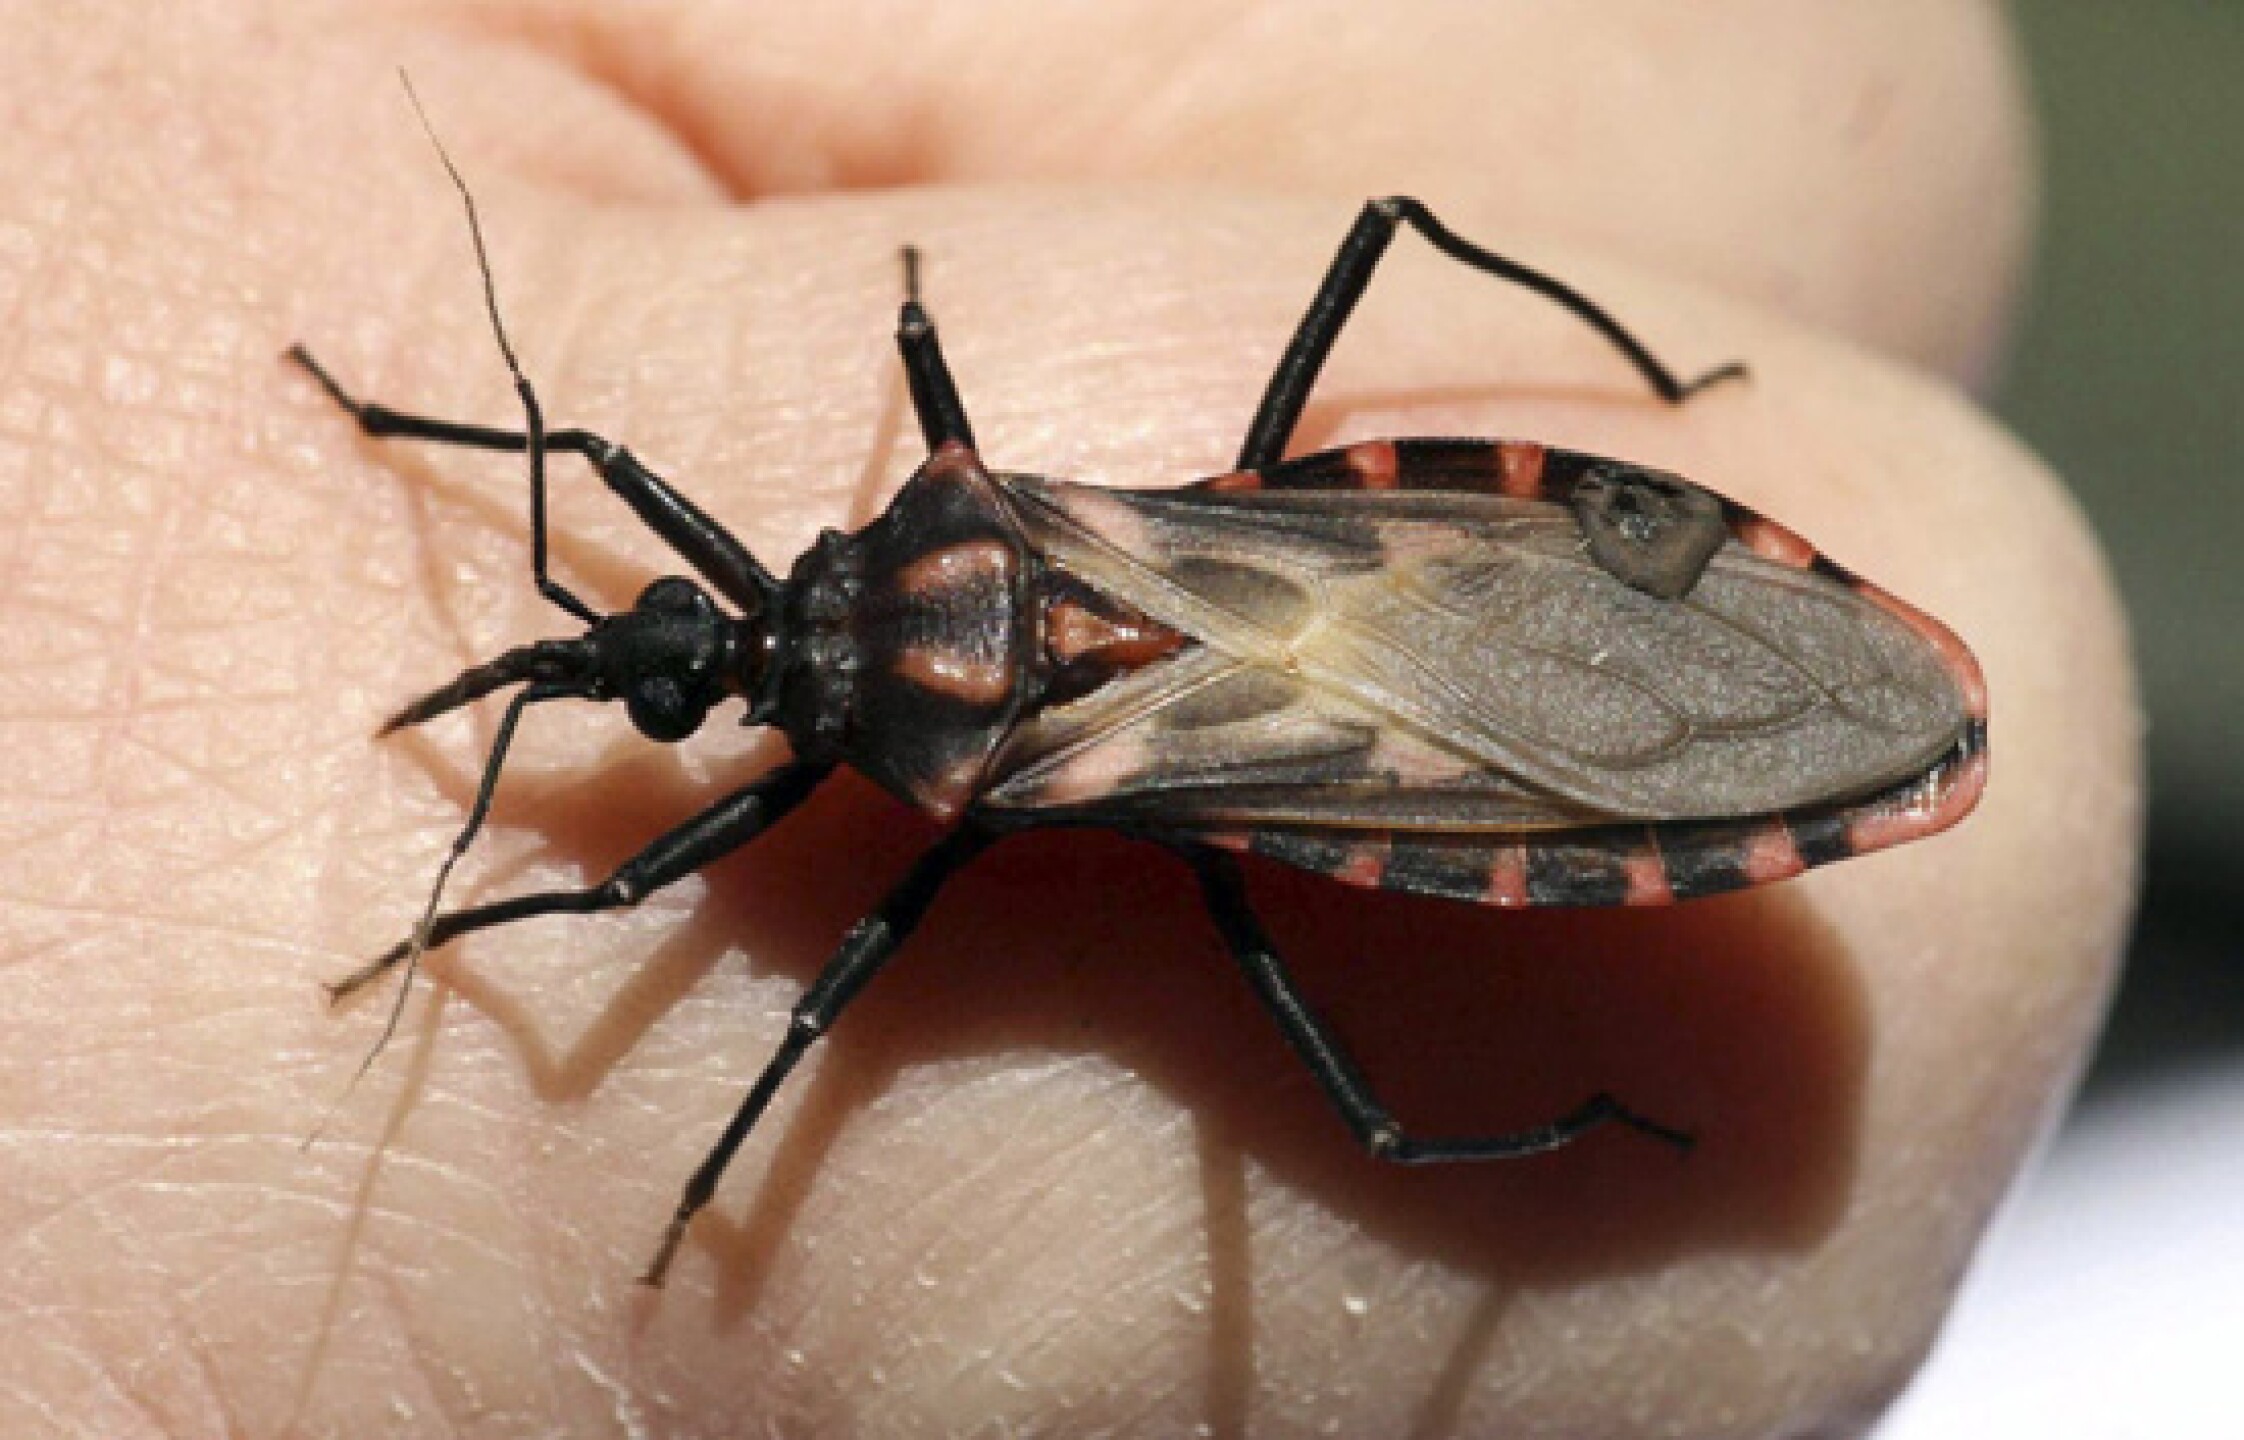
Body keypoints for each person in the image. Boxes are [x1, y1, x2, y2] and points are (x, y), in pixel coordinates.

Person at [0, 3, 2135, 1434]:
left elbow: (748, 959)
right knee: (1376, 1117)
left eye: (653, 645)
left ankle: (1618, 1000)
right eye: (660, 650)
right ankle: (1659, 432)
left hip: (1298, 772)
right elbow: (631, 469)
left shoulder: (889, 796)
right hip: (1285, 602)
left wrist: (469, 938)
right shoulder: (944, 520)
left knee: (1383, 1128)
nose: (656, 649)